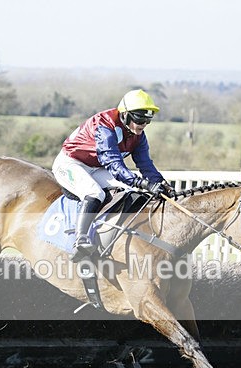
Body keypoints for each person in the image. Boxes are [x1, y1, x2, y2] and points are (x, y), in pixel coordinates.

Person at [52, 89, 171, 261]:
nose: (143, 124)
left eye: (147, 119)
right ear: (125, 115)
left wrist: (161, 184)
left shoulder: (138, 136)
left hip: (96, 167)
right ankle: (80, 239)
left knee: (128, 189)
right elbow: (114, 164)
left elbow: (145, 164)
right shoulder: (105, 126)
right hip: (71, 163)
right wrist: (143, 183)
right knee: (95, 193)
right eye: (139, 118)